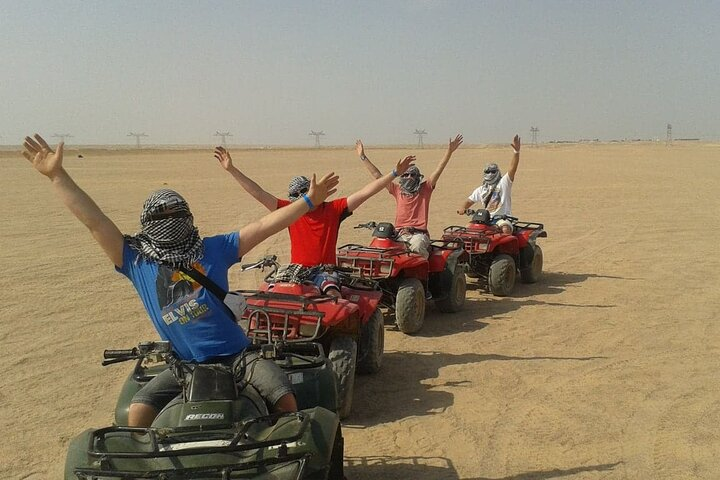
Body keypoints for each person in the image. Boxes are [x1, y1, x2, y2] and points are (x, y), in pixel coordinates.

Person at [21, 134, 340, 427]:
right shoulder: (135, 259)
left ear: (188, 219)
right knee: (138, 414)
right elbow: (94, 221)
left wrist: (309, 202)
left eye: (176, 216)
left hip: (239, 357)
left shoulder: (213, 249)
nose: (171, 224)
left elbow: (264, 225)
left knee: (285, 399)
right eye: (163, 219)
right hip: (182, 364)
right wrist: (57, 176)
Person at [215, 146, 414, 297]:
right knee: (273, 296)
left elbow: (365, 192)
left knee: (332, 296)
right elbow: (257, 192)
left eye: (306, 194)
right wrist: (232, 170)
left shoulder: (334, 209)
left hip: (325, 273)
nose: (304, 200)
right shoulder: (289, 211)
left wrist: (395, 174)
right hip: (296, 272)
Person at [356, 134, 464, 259]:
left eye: (413, 175)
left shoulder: (425, 188)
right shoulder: (397, 190)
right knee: (380, 248)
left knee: (417, 247)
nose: (409, 177)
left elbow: (439, 169)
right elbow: (377, 176)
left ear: (418, 177)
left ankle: (424, 274)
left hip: (418, 234)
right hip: (399, 233)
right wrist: (363, 157)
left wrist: (449, 152)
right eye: (406, 175)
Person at [457, 135, 521, 219]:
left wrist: (516, 152)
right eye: (488, 171)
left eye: (493, 171)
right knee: (469, 228)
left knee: (505, 229)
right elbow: (469, 201)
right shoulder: (481, 189)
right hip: (486, 219)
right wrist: (463, 208)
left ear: (497, 172)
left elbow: (512, 169)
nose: (490, 174)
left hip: (503, 218)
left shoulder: (504, 183)